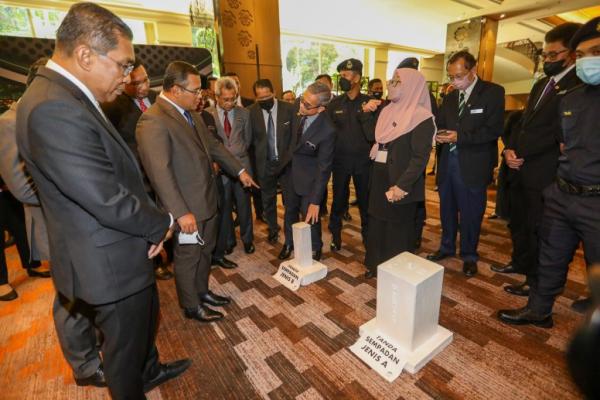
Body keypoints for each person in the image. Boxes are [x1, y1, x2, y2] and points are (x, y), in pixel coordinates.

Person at [15, 4, 190, 398]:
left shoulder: (64, 96)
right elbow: (104, 197)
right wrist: (162, 223)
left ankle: (151, 371)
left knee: (142, 332)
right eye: (123, 65)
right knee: (123, 357)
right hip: (108, 263)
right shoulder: (53, 107)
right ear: (85, 55)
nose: (127, 77)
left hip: (118, 249)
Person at [0, 57, 107, 387]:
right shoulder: (9, 121)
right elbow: (20, 186)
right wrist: (70, 194)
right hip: (52, 222)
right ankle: (85, 365)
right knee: (70, 299)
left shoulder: (47, 112)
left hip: (74, 222)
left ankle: (94, 344)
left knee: (86, 287)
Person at [498, 17, 600, 328]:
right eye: (581, 55)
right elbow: (561, 141)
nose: (587, 61)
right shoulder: (573, 97)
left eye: (596, 52)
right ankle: (538, 310)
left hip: (596, 201)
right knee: (550, 256)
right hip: (562, 192)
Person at [136, 61, 257, 324]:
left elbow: (213, 147)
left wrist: (239, 171)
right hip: (186, 208)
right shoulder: (154, 120)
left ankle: (202, 292)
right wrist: (180, 213)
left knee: (205, 252)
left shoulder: (191, 114)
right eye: (196, 90)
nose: (201, 96)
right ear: (176, 90)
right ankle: (191, 305)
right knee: (189, 257)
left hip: (206, 201)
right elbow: (160, 173)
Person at [492, 23, 582, 298]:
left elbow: (562, 134)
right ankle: (520, 263)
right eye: (545, 55)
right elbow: (524, 124)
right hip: (519, 168)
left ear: (572, 54)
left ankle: (536, 281)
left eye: (553, 55)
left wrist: (525, 154)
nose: (547, 60)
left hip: (546, 172)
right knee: (518, 222)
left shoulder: (579, 86)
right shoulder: (543, 83)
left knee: (539, 230)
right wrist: (509, 150)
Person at [427, 50, 505, 277]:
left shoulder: (492, 92)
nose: (454, 81)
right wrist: (439, 134)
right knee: (447, 209)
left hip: (473, 165)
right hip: (447, 163)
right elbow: (442, 123)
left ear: (473, 70)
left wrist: (460, 137)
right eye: (451, 76)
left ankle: (469, 255)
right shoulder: (451, 97)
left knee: (471, 213)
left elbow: (493, 130)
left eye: (459, 76)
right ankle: (447, 246)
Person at [102, 60, 174, 281]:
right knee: (147, 218)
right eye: (137, 83)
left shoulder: (157, 98)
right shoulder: (113, 107)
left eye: (146, 80)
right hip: (138, 177)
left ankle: (171, 255)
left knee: (168, 213)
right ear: (125, 82)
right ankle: (154, 263)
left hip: (164, 169)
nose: (144, 86)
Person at [361, 68, 435, 278]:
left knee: (397, 229)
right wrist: (365, 114)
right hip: (380, 177)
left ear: (411, 86)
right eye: (391, 81)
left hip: (401, 183)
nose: (390, 85)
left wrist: (403, 185)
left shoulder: (422, 117)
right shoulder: (387, 110)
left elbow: (420, 158)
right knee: (377, 223)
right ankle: (375, 264)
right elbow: (372, 136)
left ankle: (395, 272)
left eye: (396, 82)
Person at [279, 82, 335, 261]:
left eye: (307, 105)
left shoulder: (327, 130)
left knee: (310, 215)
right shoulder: (299, 104)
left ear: (321, 108)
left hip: (310, 180)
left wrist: (316, 201)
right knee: (289, 211)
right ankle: (289, 243)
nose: (301, 106)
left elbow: (324, 168)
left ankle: (315, 246)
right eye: (302, 99)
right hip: (290, 173)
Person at [206, 77, 256, 255]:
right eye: (225, 99)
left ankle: (248, 240)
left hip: (242, 165)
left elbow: (247, 140)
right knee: (225, 207)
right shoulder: (207, 114)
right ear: (216, 96)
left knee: (244, 207)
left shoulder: (244, 113)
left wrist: (237, 155)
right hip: (220, 169)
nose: (230, 102)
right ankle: (228, 241)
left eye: (233, 98)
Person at [327, 59, 373, 251]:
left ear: (357, 78)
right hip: (340, 163)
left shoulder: (369, 103)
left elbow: (374, 134)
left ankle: (368, 237)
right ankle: (335, 236)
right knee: (338, 200)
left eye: (345, 75)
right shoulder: (334, 104)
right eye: (341, 76)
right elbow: (328, 133)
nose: (342, 79)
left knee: (365, 202)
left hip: (364, 163)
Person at [396, 57, 439, 249]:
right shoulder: (396, 99)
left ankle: (415, 233)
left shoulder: (424, 99)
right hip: (398, 160)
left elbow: (430, 127)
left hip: (414, 160)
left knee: (414, 196)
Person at [249, 79, 295, 244]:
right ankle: (273, 229)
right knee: (268, 200)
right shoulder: (251, 112)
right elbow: (251, 142)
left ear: (274, 92)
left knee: (290, 200)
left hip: (286, 163)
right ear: (255, 97)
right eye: (260, 98)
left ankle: (291, 231)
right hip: (265, 164)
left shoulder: (289, 109)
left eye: (267, 96)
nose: (264, 100)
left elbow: (294, 137)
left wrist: (289, 158)